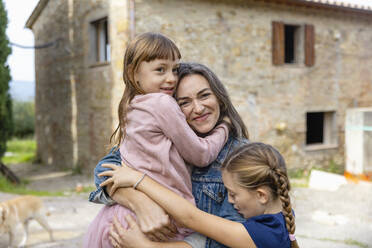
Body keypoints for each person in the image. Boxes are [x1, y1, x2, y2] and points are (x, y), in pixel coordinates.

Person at [83, 32, 231, 248]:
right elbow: (201, 154)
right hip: (153, 221)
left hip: (117, 219)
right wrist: (225, 126)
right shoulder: (162, 103)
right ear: (134, 74)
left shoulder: (132, 106)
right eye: (160, 70)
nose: (171, 78)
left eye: (175, 69)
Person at [101, 142, 300, 248]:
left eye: (233, 193)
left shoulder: (264, 235)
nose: (230, 201)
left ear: (262, 195)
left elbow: (190, 217)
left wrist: (138, 179)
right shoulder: (279, 221)